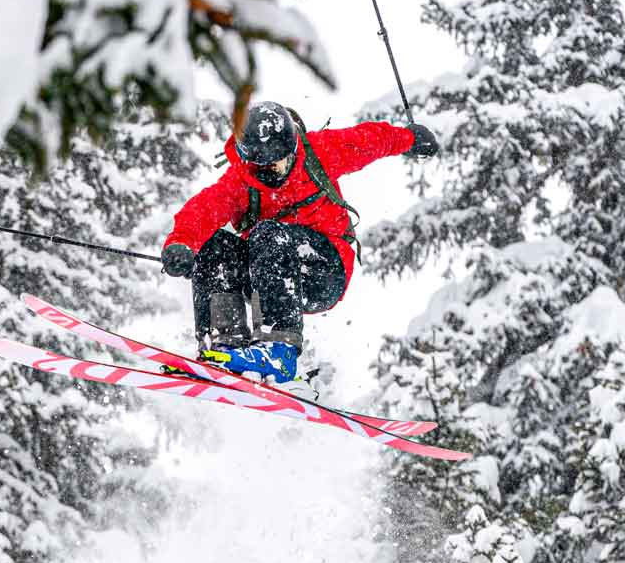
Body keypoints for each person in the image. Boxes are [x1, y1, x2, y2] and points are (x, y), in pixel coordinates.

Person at [160, 101, 440, 384]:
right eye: (262, 165)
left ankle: (279, 349)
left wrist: (410, 138)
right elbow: (204, 209)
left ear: (293, 148)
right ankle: (224, 345)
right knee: (213, 244)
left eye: (280, 160)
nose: (273, 170)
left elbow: (370, 140)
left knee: (268, 232)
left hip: (322, 272)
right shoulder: (239, 182)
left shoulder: (320, 152)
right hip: (268, 279)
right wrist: (181, 244)